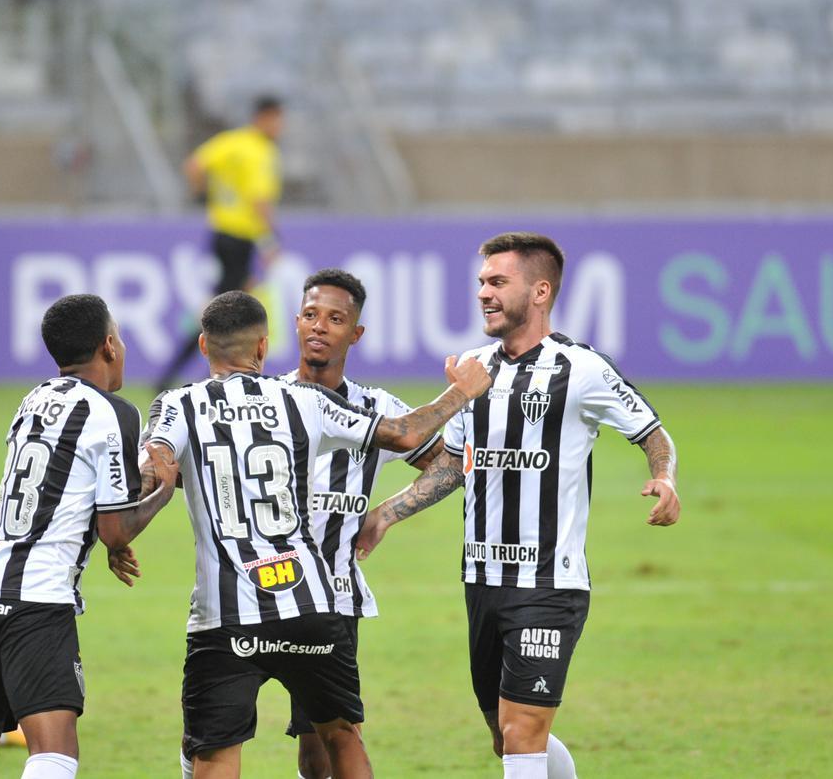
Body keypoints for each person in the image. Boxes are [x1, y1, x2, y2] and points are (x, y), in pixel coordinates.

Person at [113, 290, 493, 779]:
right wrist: (460, 391)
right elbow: (402, 433)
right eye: (311, 316)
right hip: (312, 604)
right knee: (342, 737)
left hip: (225, 615)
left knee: (214, 753)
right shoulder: (304, 401)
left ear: (203, 346)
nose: (319, 327)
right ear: (265, 346)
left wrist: (120, 528)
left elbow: (155, 472)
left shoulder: (178, 404)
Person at [356, 233, 682, 779]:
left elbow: (653, 432)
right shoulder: (473, 371)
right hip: (481, 578)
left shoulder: (581, 368)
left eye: (498, 282)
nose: (483, 292)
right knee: (505, 736)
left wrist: (665, 478)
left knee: (523, 731)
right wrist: (387, 513)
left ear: (539, 291)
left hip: (549, 583)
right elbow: (453, 464)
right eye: (482, 281)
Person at [174, 269, 445, 779]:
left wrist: (389, 512)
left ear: (355, 334)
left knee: (322, 748)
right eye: (311, 315)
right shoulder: (261, 400)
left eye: (336, 319)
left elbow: (449, 461)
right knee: (205, 737)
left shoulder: (374, 407)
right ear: (293, 324)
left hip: (331, 598)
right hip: (244, 593)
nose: (320, 327)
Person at [0, 294, 176, 779]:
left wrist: (108, 522)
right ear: (110, 346)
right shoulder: (113, 411)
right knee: (54, 755)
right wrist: (162, 493)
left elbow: (63, 488)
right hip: (35, 595)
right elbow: (116, 529)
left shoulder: (34, 399)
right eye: (122, 338)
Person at [155, 95, 285, 392]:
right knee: (225, 311)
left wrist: (203, 196)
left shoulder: (230, 142)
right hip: (241, 238)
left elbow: (193, 166)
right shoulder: (259, 151)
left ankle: (207, 374)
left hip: (222, 235)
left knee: (227, 306)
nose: (280, 127)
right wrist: (271, 240)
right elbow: (259, 200)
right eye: (278, 119)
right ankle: (208, 375)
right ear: (265, 117)